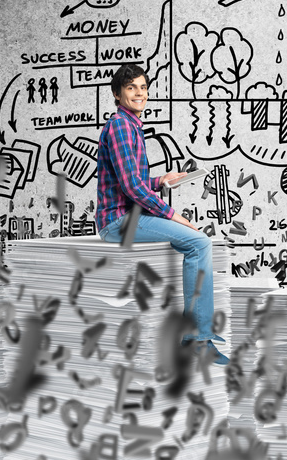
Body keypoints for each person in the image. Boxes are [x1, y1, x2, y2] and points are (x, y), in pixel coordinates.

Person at [95, 63, 228, 365]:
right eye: (131, 88)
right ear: (117, 94)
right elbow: (130, 187)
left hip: (127, 216)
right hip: (118, 221)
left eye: (143, 87)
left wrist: (162, 180)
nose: (139, 93)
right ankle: (195, 341)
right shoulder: (120, 126)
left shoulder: (130, 126)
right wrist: (172, 215)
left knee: (197, 242)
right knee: (199, 243)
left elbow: (132, 180)